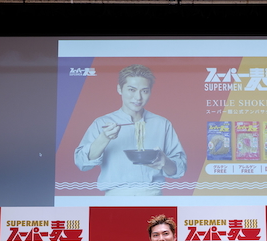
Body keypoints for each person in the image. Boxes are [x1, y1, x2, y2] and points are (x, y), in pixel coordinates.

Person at [74, 65, 187, 196]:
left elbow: (179, 170)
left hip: (153, 196)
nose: (138, 97)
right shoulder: (101, 123)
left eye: (144, 91)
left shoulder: (162, 124)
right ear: (119, 89)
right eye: (132, 90)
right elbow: (82, 163)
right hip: (115, 197)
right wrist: (104, 137)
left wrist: (165, 161)